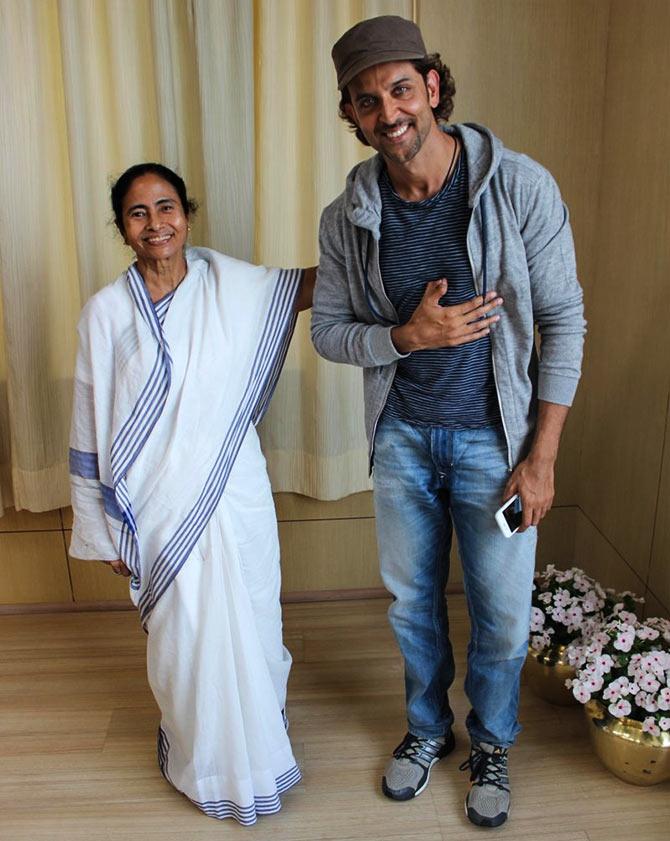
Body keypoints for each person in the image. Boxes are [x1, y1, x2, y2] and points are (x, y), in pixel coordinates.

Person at [311, 16, 585, 828]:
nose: (386, 111)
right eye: (366, 100)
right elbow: (329, 331)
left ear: (432, 87)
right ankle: (427, 727)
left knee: (501, 613)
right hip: (399, 439)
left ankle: (492, 741)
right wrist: (405, 336)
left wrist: (542, 456)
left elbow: (564, 321)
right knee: (410, 604)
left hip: (494, 444)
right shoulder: (347, 216)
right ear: (352, 117)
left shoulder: (518, 184)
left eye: (399, 88)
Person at [69, 162, 315, 825]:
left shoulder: (229, 284)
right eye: (139, 212)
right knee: (185, 641)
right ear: (122, 226)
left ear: (188, 212)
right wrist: (106, 528)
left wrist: (390, 248)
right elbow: (91, 424)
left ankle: (260, 753)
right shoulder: (104, 314)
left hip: (235, 492)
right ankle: (200, 760)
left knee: (255, 621)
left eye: (167, 206)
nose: (156, 223)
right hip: (156, 506)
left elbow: (305, 288)